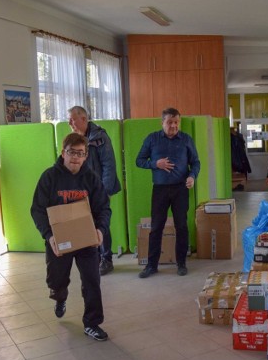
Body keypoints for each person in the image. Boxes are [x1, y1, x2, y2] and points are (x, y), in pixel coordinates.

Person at [30, 133, 111, 341]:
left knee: (92, 280)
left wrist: (100, 229)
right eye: (71, 152)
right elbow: (37, 210)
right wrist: (49, 236)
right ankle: (60, 296)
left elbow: (103, 208)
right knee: (56, 281)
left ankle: (92, 323)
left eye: (80, 153)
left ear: (86, 155)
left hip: (85, 240)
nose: (75, 157)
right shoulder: (49, 177)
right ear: (63, 152)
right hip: (59, 240)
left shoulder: (91, 178)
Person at [136, 107, 200, 278]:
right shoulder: (152, 139)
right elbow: (139, 160)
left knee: (181, 226)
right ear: (162, 122)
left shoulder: (186, 139)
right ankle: (151, 265)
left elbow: (195, 163)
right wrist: (155, 164)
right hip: (160, 190)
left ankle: (181, 263)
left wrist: (192, 176)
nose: (173, 125)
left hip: (180, 189)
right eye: (170, 122)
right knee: (156, 227)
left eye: (176, 122)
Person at [68, 106, 121, 276]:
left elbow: (109, 165)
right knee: (87, 224)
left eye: (72, 119)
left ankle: (107, 259)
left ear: (83, 119)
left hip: (99, 189)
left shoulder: (99, 137)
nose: (70, 123)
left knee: (100, 223)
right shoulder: (75, 139)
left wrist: (103, 192)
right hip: (82, 191)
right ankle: (95, 257)